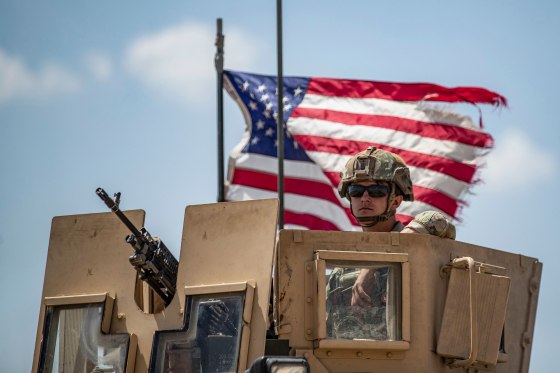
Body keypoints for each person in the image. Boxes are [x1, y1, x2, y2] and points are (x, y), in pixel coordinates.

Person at [326, 147, 455, 339]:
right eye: (356, 191)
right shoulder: (341, 268)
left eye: (377, 191)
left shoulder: (416, 246)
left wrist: (372, 265)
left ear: (395, 201)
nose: (365, 198)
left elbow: (437, 222)